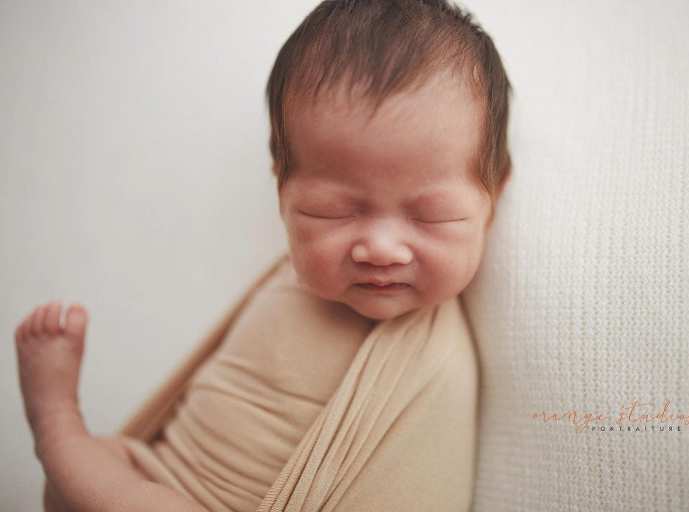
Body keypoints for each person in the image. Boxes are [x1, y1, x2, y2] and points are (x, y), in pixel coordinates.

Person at [14, 1, 512, 510]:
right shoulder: (287, 281)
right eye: (332, 211)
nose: (380, 249)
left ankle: (56, 427)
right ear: (282, 192)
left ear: (493, 197)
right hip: (147, 471)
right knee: (105, 466)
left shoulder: (433, 370)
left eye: (431, 216)